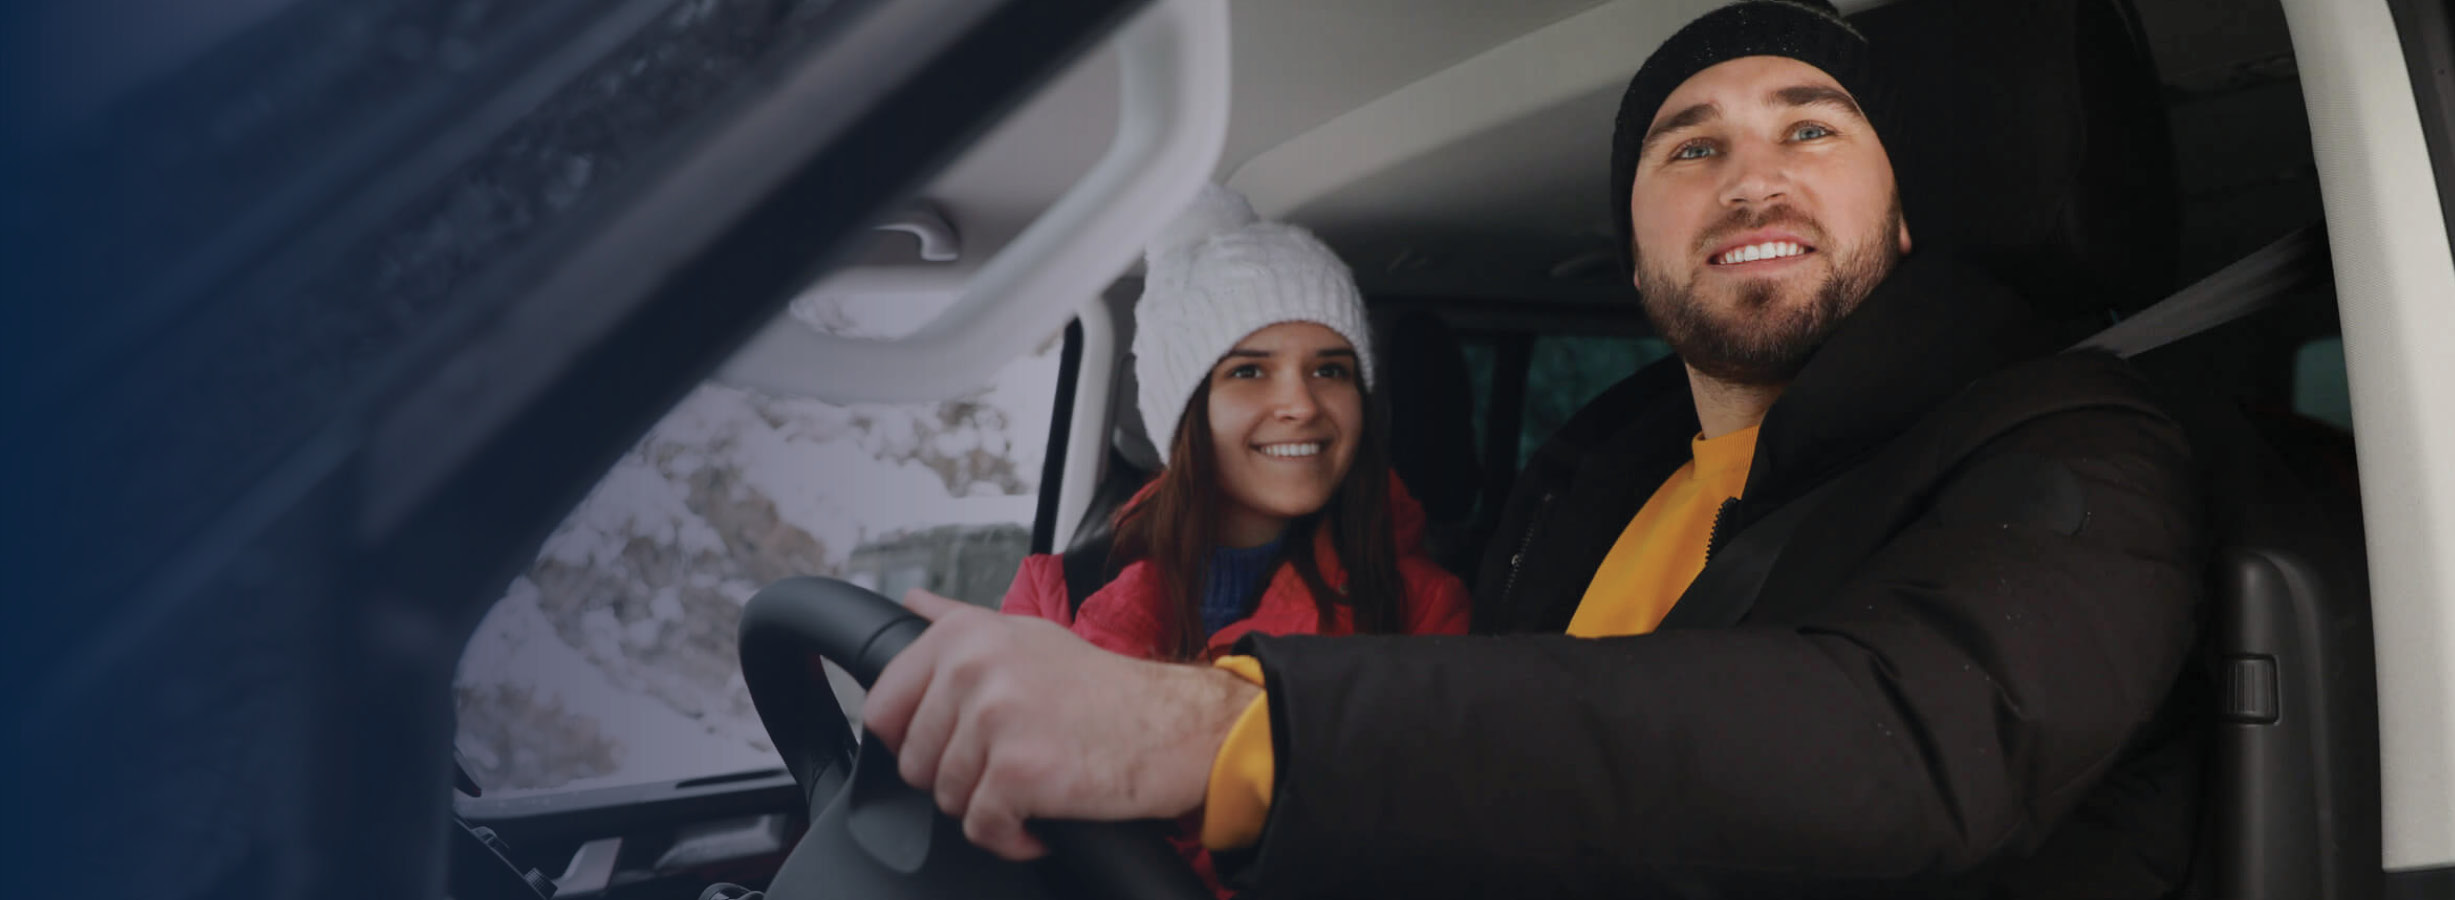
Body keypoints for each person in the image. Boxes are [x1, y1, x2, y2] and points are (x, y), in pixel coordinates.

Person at [866, 2, 2204, 897]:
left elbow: (1899, 740)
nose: (1751, 178)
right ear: (1633, 259)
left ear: (1901, 221)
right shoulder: (1589, 480)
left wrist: (1217, 729)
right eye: (1691, 147)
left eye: (1809, 126)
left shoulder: (2070, 450)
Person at [989, 182, 1471, 893]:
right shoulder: (1058, 590)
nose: (1301, 404)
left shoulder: (1418, 610)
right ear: (1187, 410)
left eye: (1330, 369)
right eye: (1249, 370)